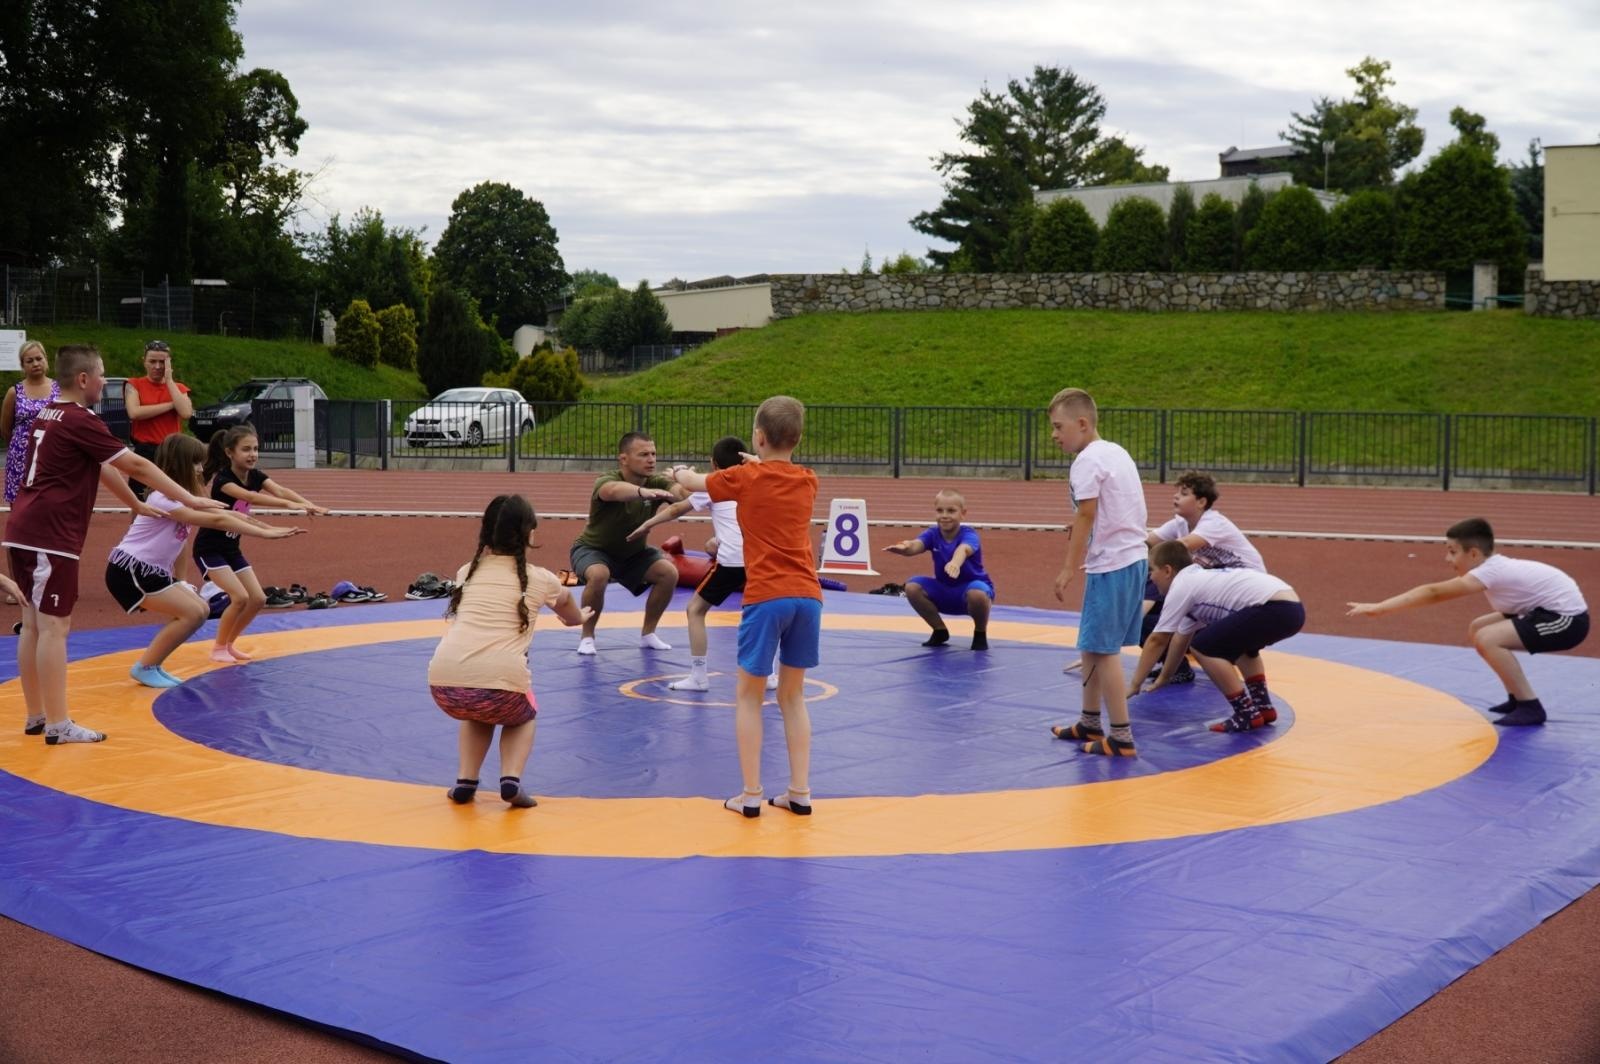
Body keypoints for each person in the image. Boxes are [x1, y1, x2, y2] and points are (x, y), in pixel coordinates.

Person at [3, 344, 223, 744]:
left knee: (34, 624)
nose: (106, 383)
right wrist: (189, 498)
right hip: (50, 535)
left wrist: (136, 502)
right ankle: (57, 723)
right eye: (102, 375)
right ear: (84, 380)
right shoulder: (80, 419)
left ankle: (38, 716)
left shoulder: (46, 414)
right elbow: (135, 464)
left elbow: (102, 466)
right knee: (54, 626)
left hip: (24, 528)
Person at [670, 396, 820, 817]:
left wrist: (678, 472)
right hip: (807, 596)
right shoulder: (808, 480)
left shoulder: (743, 478)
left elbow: (695, 480)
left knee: (749, 698)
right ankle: (800, 790)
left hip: (767, 594)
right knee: (793, 697)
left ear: (758, 436)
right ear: (798, 439)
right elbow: (776, 468)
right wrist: (761, 459)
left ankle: (751, 794)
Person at [1347, 517, 1590, 727]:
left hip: (1567, 621)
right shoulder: (1493, 567)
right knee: (1478, 628)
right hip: (1540, 611)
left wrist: (1380, 608)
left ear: (1473, 553)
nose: (1447, 558)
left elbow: (1433, 592)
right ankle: (1517, 697)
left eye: (1453, 551)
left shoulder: (1490, 571)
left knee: (1489, 639)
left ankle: (1530, 707)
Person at [106, 434, 306, 688]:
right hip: (129, 569)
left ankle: (152, 664)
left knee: (200, 610)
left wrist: (267, 526)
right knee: (192, 613)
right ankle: (145, 666)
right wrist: (266, 534)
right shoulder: (162, 499)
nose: (201, 469)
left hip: (148, 571)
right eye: (196, 463)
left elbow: (227, 516)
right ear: (180, 465)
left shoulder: (187, 496)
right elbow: (218, 521)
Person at [428, 495, 589, 808]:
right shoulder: (541, 579)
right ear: (530, 534)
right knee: (521, 715)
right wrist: (581, 618)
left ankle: (466, 779)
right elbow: (571, 612)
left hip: (444, 686)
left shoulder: (466, 572)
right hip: (500, 687)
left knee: (480, 709)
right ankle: (511, 779)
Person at [625, 435, 779, 692]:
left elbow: (675, 510)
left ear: (714, 465)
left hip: (731, 562)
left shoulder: (715, 486)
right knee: (762, 614)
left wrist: (646, 525)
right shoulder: (759, 482)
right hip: (761, 561)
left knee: (695, 610)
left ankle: (698, 675)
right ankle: (770, 674)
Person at [1046, 387, 1149, 757]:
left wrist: (1067, 568)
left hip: (1113, 564)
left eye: (1059, 427)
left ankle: (1121, 735)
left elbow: (1086, 513)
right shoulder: (1116, 451)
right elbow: (1106, 511)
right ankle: (1090, 720)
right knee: (1091, 643)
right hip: (1129, 558)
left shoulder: (1087, 461)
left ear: (1083, 424)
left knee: (1104, 650)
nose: (1054, 435)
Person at [1129, 540, 1305, 734]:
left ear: (1167, 570)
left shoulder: (1182, 585)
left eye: (1151, 571)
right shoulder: (1197, 580)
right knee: (1241, 649)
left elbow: (1158, 639)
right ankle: (1263, 707)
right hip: (1290, 606)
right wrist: (1164, 677)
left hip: (1274, 606)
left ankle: (1245, 712)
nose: (1151, 578)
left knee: (1204, 646)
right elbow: (1179, 639)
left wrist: (1135, 684)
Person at [192, 424, 330, 664]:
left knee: (257, 599)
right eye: (246, 449)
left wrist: (309, 504)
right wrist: (289, 506)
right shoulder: (224, 480)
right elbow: (250, 497)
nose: (252, 454)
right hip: (209, 549)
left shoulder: (255, 475)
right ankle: (218, 647)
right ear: (229, 453)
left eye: (255, 449)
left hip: (231, 548)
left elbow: (280, 490)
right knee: (239, 597)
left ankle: (229, 644)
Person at [1140, 470, 1267, 683]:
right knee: (1153, 623)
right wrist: (1109, 542)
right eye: (1177, 493)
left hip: (1247, 595)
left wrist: (1151, 552)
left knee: (1210, 645)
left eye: (1184, 493)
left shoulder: (1213, 523)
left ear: (1201, 502)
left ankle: (1236, 673)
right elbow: (1147, 541)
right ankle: (1177, 669)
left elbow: (1181, 546)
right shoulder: (1178, 524)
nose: (1176, 497)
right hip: (1216, 594)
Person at [569, 431, 685, 656]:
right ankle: (587, 637)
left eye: (653, 454)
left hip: (634, 554)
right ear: (624, 459)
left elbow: (680, 494)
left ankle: (648, 634)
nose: (651, 459)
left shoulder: (657, 481)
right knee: (599, 575)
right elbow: (612, 491)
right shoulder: (607, 480)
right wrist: (643, 492)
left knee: (668, 573)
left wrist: (683, 483)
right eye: (643, 454)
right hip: (594, 550)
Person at [882, 488, 995, 650]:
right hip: (945, 591)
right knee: (912, 587)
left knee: (977, 593)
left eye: (951, 511)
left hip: (971, 591)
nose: (944, 515)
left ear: (963, 514)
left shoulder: (969, 534)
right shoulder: (932, 533)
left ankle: (980, 633)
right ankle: (939, 630)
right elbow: (916, 545)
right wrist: (904, 547)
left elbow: (963, 549)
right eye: (940, 510)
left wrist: (955, 563)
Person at [124, 340, 193, 499]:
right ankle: (137, 525)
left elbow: (186, 412)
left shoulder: (178, 388)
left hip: (171, 450)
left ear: (169, 363)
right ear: (144, 361)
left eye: (162, 362)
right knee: (141, 498)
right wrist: (170, 405)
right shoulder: (134, 384)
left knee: (173, 498)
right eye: (152, 361)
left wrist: (169, 381)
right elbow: (134, 412)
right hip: (146, 450)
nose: (157, 366)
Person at [1, 340, 60, 503]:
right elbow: (6, 429)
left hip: (52, 457)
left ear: (46, 360)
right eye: (29, 361)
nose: (35, 363)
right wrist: (21, 445)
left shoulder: (59, 389)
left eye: (39, 359)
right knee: (19, 508)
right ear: (22, 365)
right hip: (21, 458)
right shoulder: (14, 392)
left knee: (50, 505)